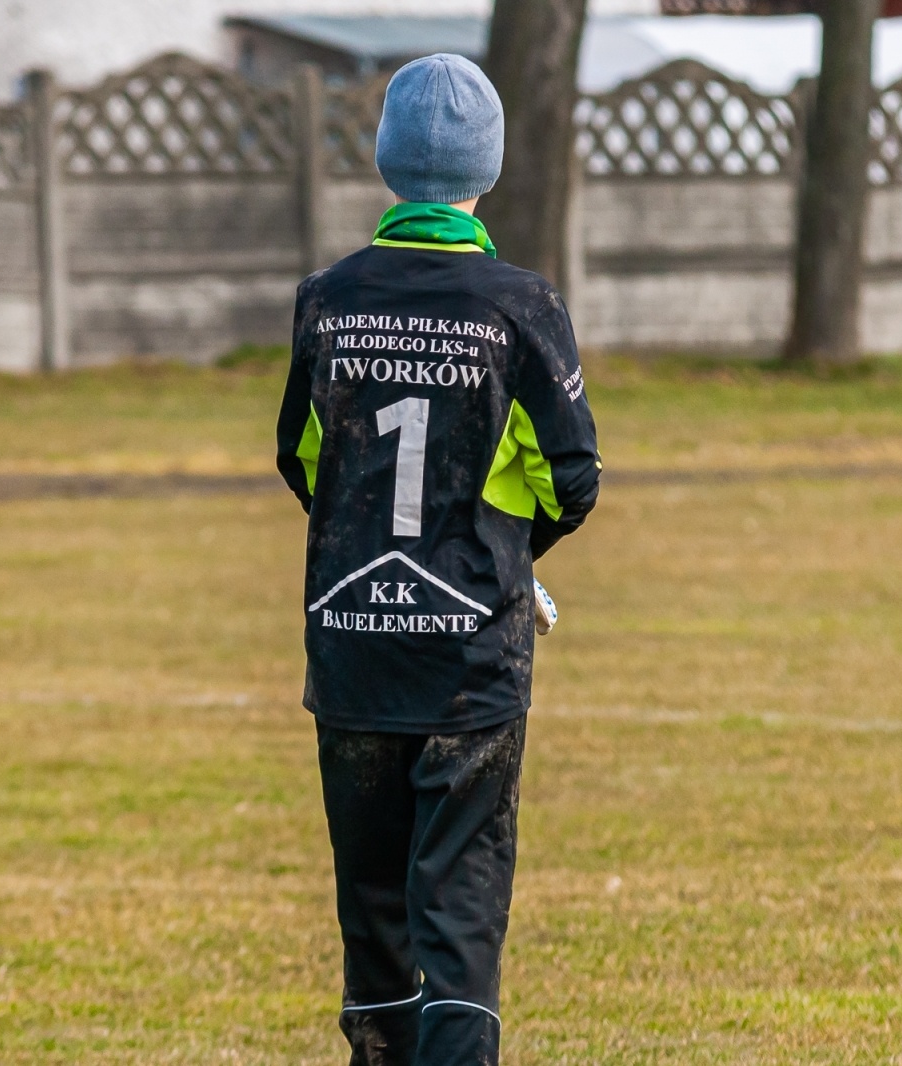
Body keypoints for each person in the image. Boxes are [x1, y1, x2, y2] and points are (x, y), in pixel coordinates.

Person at [274, 53, 601, 1066]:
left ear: (382, 164)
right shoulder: (519, 305)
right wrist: (504, 547)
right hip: (470, 663)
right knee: (458, 924)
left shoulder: (325, 301)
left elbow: (303, 458)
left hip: (355, 649)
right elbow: (571, 475)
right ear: (489, 168)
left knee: (375, 926)